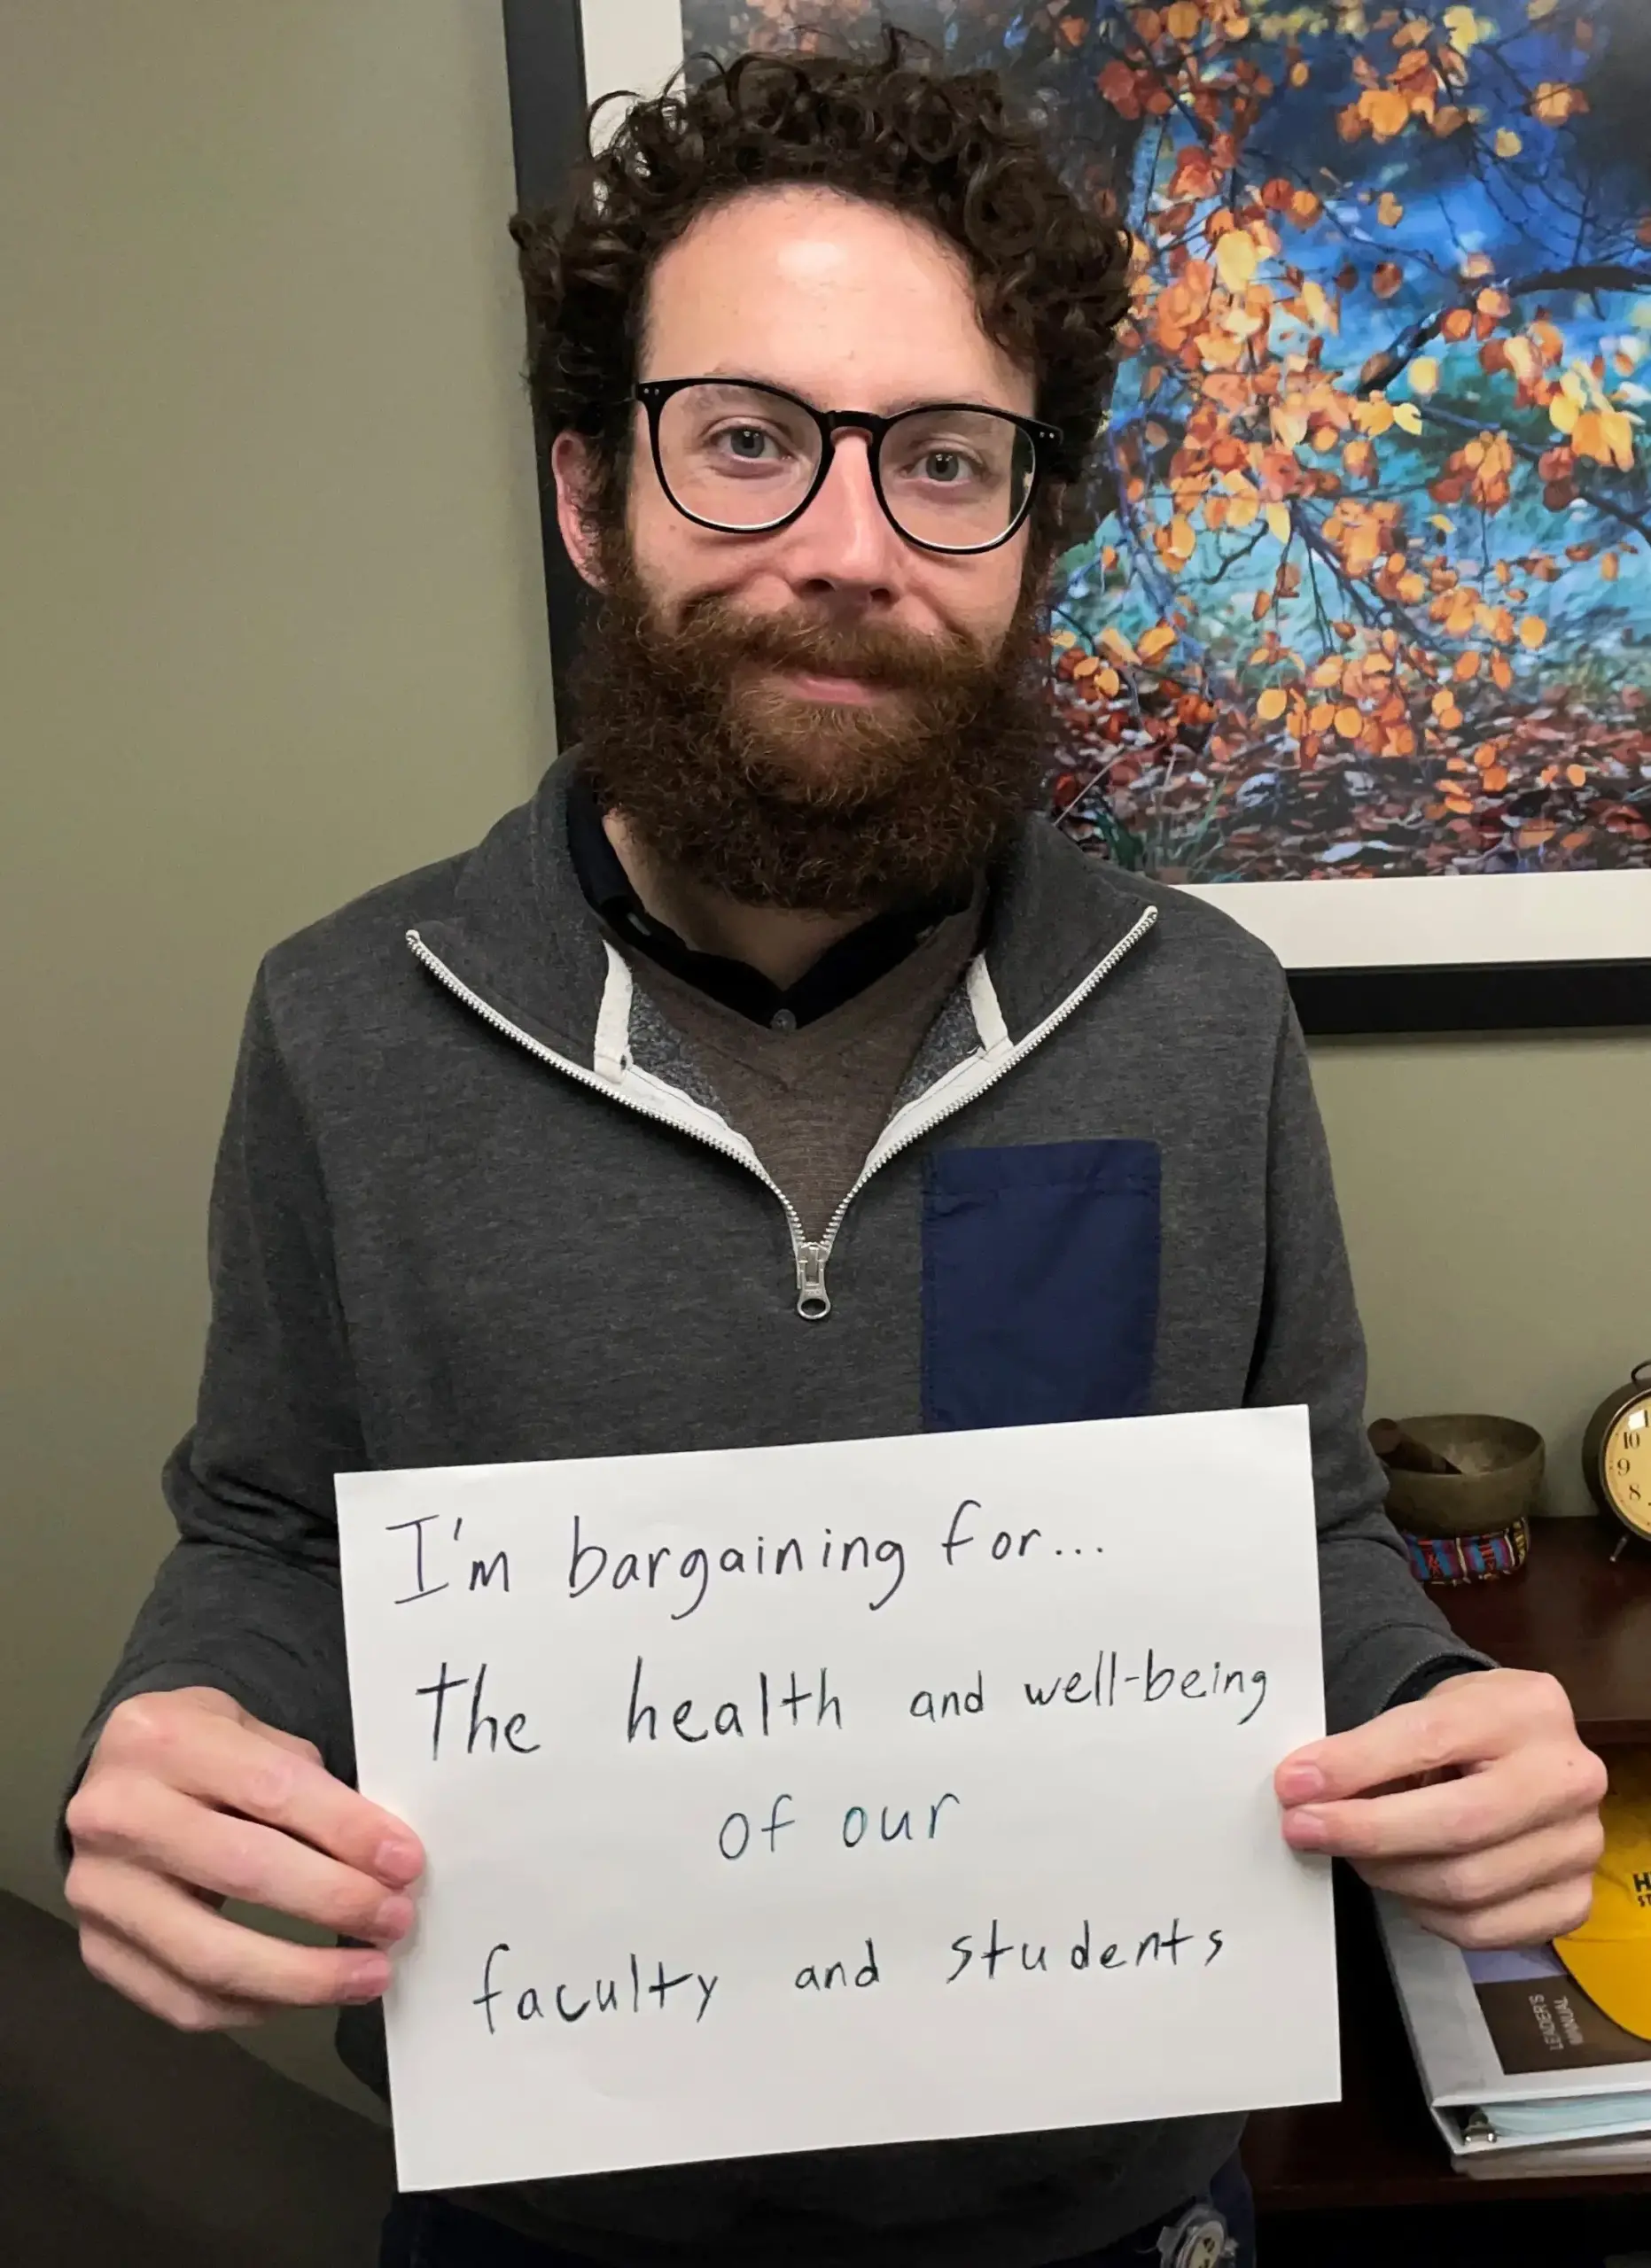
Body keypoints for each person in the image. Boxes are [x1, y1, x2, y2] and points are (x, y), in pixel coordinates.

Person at [63, 33, 1606, 2268]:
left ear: (1030, 525)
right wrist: (187, 1719)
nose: (848, 547)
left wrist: (1445, 1717)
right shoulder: (346, 1021)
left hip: (1110, 2219)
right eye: (753, 443)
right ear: (592, 493)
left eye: (946, 462)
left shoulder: (1198, 1016)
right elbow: (274, 1527)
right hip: (547, 2217)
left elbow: (1309, 1537)